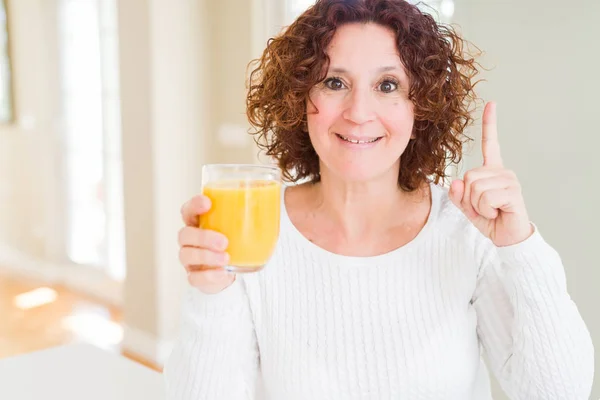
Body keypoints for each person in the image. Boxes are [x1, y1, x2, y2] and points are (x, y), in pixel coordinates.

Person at [164, 0, 594, 398]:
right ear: (300, 97)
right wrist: (211, 292)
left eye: (387, 85)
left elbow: (558, 393)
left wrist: (521, 247)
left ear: (419, 106)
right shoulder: (251, 232)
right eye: (335, 82)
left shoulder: (465, 229)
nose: (358, 112)